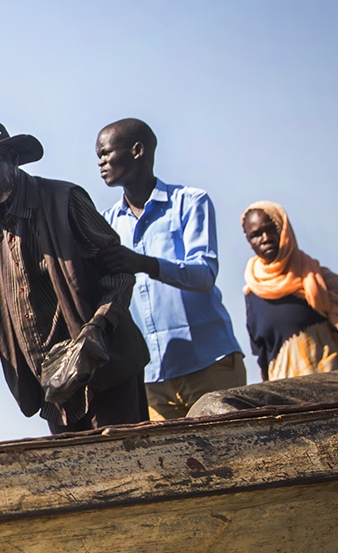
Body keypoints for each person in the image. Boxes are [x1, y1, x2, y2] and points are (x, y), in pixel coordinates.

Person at [0, 120, 150, 433]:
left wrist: (98, 326)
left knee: (130, 467)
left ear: (12, 158)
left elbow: (119, 272)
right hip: (51, 385)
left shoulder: (64, 200)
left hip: (105, 369)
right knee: (75, 478)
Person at [95, 119, 246, 418]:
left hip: (208, 363)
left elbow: (204, 274)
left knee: (227, 457)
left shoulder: (189, 203)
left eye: (105, 153)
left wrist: (145, 264)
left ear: (137, 150)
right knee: (171, 464)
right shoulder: (106, 223)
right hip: (151, 378)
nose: (100, 162)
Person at [240, 202, 338, 381]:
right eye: (256, 234)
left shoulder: (319, 280)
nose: (266, 238)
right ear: (249, 241)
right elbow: (264, 358)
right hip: (287, 400)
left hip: (336, 392)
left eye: (272, 229)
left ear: (285, 230)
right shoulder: (253, 293)